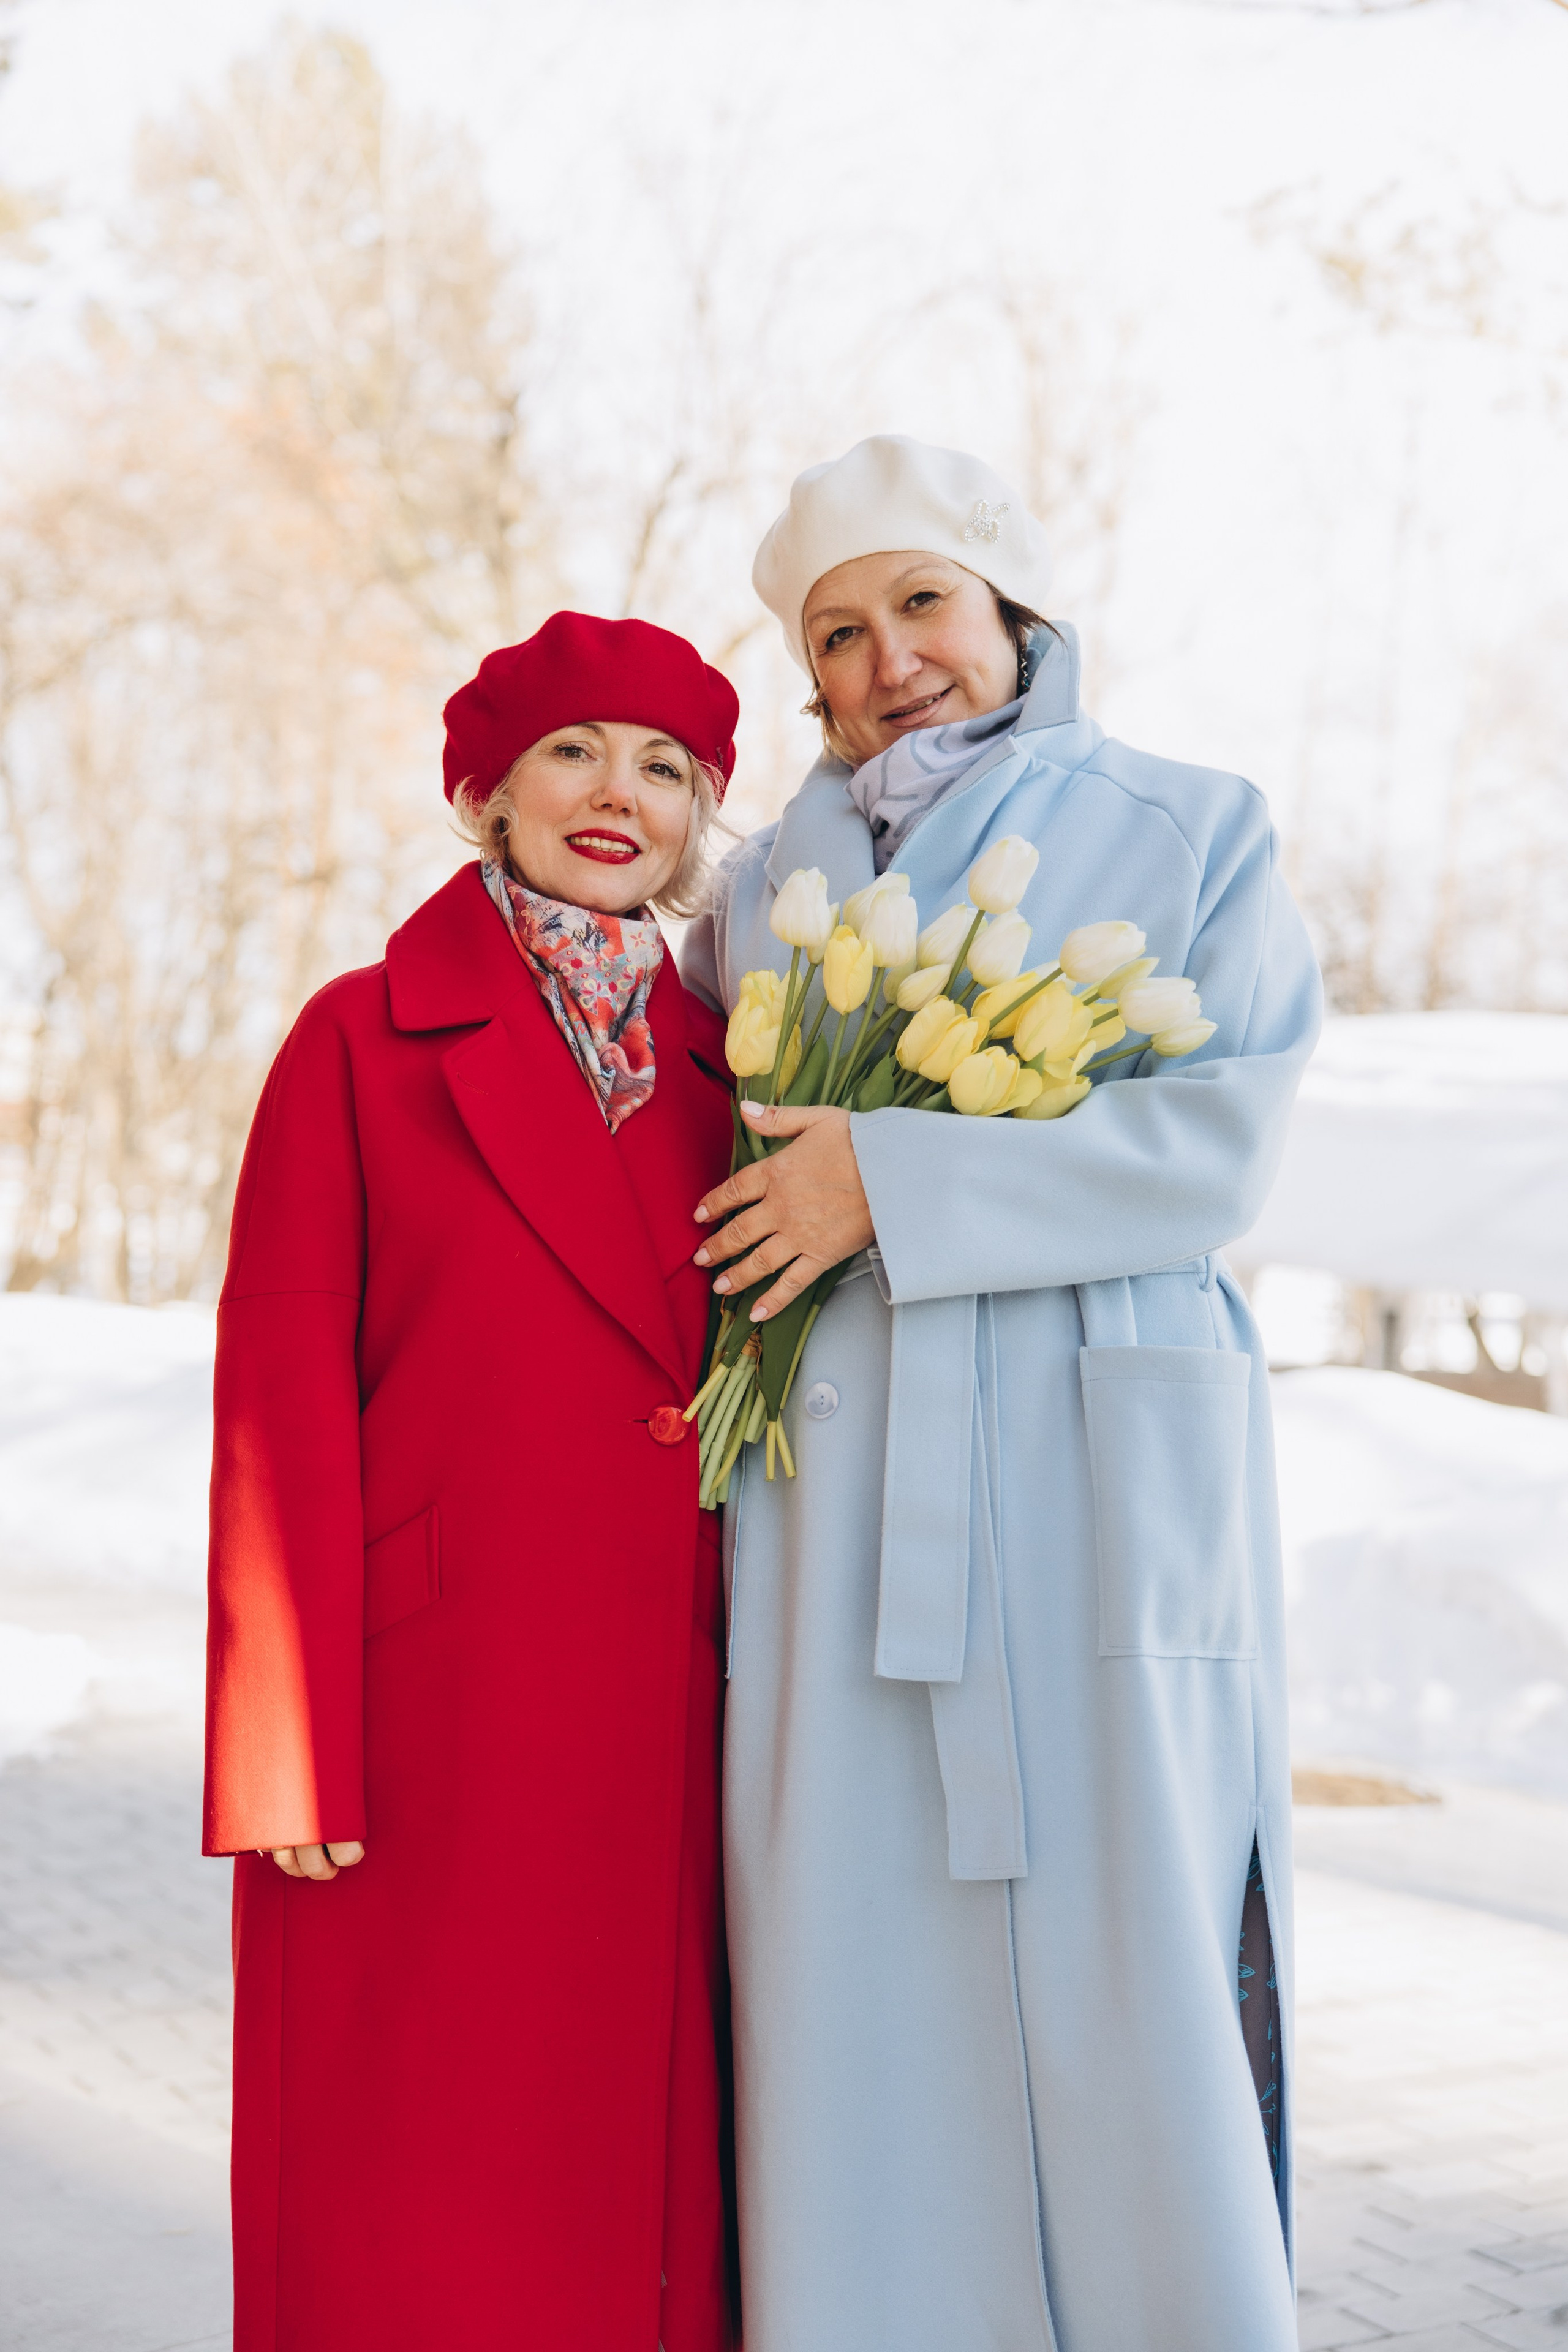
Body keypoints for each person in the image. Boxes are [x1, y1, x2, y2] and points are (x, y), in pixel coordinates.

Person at [680, 435, 1321, 2351]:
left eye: (922, 607)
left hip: (1090, 1475)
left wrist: (890, 1177)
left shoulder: (1191, 822)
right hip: (846, 1493)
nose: (891, 660)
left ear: (1013, 608)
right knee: (855, 1981)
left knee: (1136, 1969)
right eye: (842, 633)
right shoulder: (762, 891)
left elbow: (1220, 1138)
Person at [204, 611, 741, 2352]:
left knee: (637, 2205)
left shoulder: (752, 1077)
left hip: (675, 1716)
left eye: (669, 768)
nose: (620, 794)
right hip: (429, 1716)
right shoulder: (361, 1041)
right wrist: (285, 1740)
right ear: (484, 793)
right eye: (576, 751)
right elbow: (280, 1396)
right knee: (412, 2197)